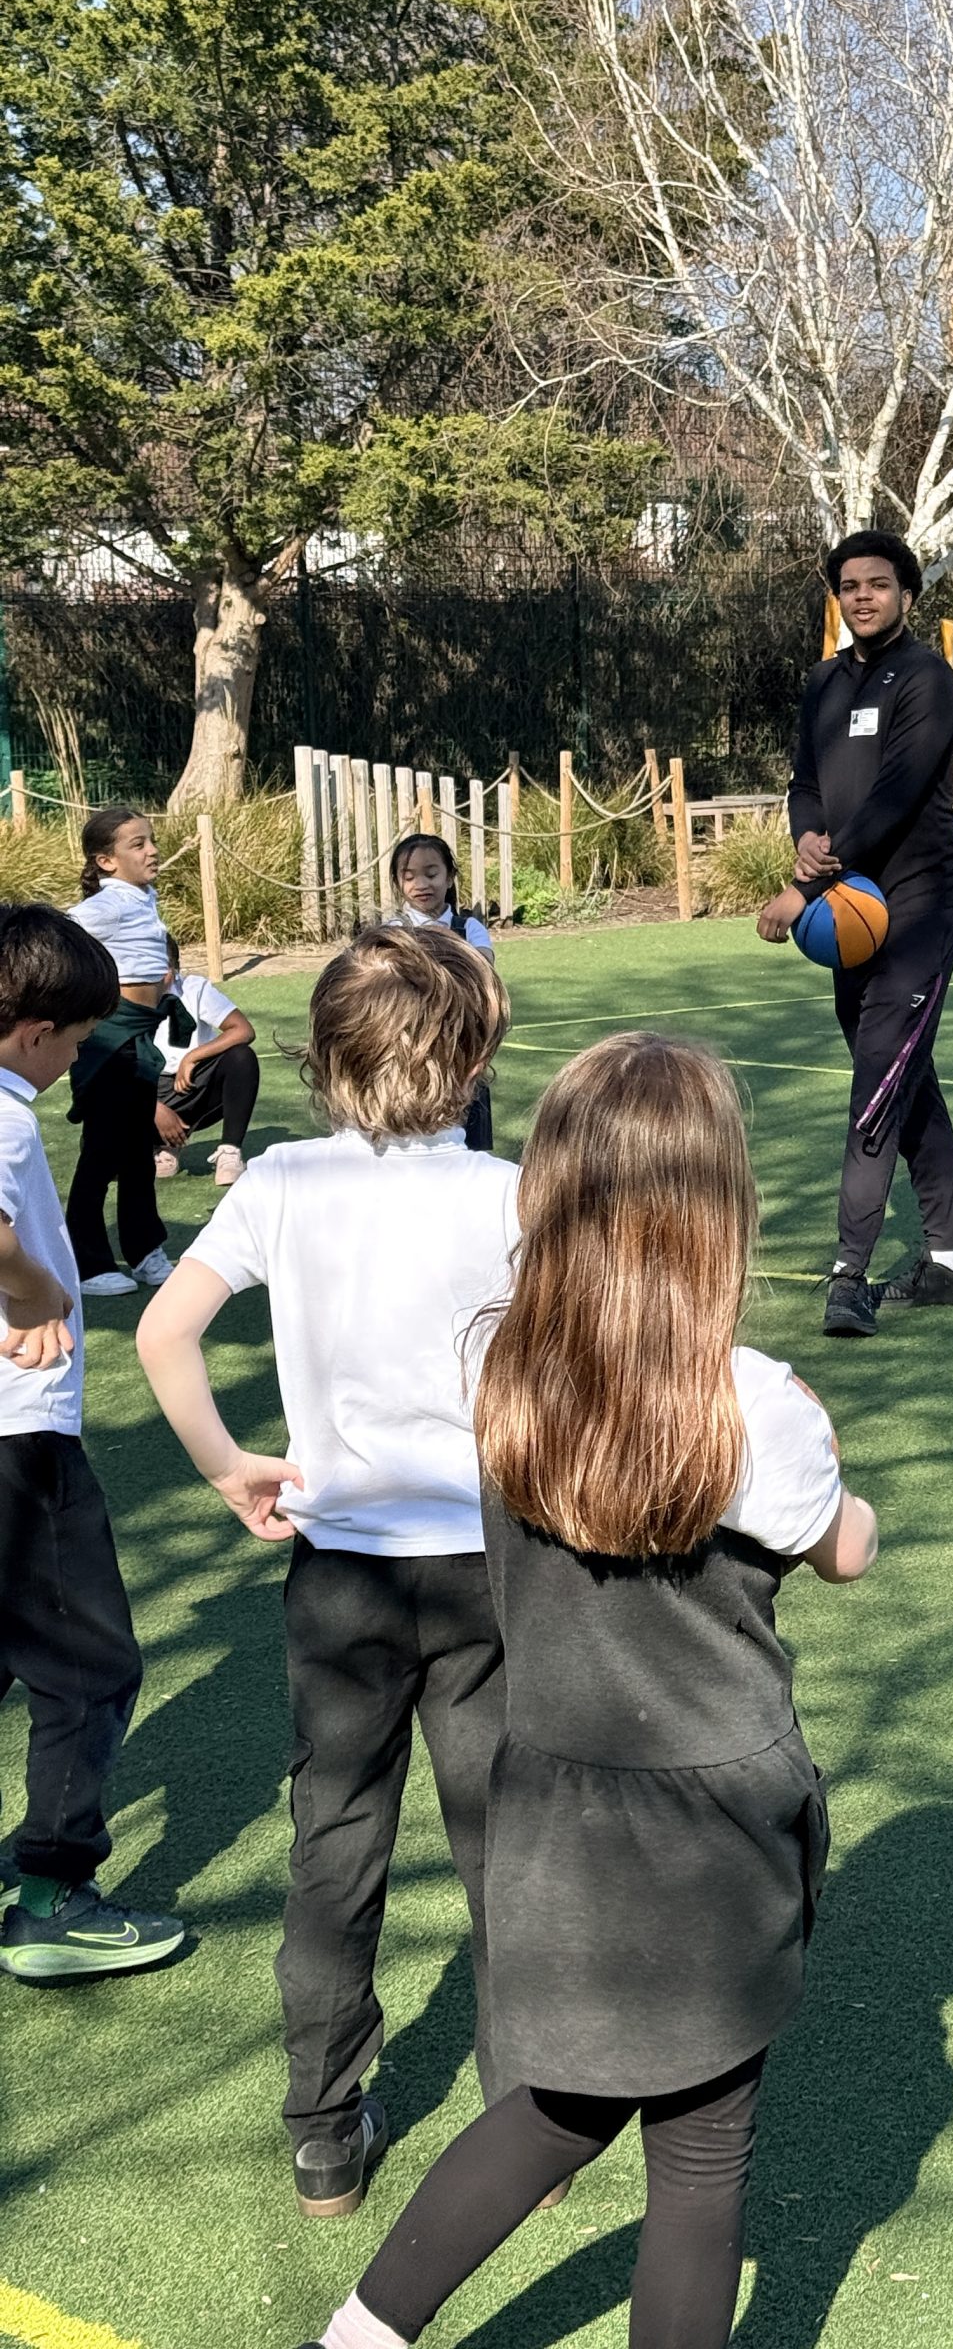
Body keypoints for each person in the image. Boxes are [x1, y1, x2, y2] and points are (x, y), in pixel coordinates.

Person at [300, 1032, 877, 2349]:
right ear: (721, 1206)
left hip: (552, 1814)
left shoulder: (500, 1367)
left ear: (548, 1190)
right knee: (701, 2163)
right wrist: (840, 1471)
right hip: (713, 1835)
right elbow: (843, 1550)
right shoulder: (758, 1405)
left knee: (555, 2107)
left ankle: (359, 2335)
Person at [137, 926, 515, 2216]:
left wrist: (224, 1465)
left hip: (341, 1573)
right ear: (472, 1059)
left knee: (335, 1841)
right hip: (487, 1569)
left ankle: (324, 2130)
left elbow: (164, 1331)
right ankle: (528, 2117)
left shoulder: (283, 1181)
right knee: (503, 1843)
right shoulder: (511, 1192)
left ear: (321, 1057)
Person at [0, 905, 186, 1980]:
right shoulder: (7, 1116)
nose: (76, 1061)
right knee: (89, 1664)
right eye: (74, 1041)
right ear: (34, 1033)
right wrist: (31, 1288)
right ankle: (53, 1896)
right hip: (20, 1439)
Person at [756, 531, 953, 1339]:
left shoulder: (927, 679)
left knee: (878, 1084)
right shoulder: (823, 682)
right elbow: (805, 782)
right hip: (851, 912)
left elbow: (895, 795)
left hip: (918, 912)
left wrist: (800, 887)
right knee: (901, 1076)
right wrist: (807, 838)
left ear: (906, 595)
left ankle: (848, 1276)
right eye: (849, 585)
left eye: (878, 584)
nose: (862, 596)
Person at [66, 804, 189, 1295]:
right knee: (102, 1150)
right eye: (137, 844)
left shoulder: (142, 897)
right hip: (110, 1039)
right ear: (106, 861)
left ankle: (143, 1252)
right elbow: (59, 934)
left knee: (138, 1149)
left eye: (151, 840)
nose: (152, 850)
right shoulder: (110, 904)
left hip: (138, 1036)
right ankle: (87, 1263)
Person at [387, 833, 498, 1153]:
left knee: (469, 1119)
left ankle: (474, 1158)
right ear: (398, 883)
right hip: (410, 1040)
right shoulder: (394, 929)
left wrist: (445, 941)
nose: (421, 884)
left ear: (449, 877)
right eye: (409, 876)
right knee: (414, 1123)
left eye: (431, 873)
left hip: (462, 1040)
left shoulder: (469, 927)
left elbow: (484, 967)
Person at [154, 932, 258, 1184]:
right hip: (144, 1095)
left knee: (241, 1057)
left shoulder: (194, 989)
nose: (155, 976)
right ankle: (162, 1146)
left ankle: (230, 1152)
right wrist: (152, 1108)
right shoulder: (121, 998)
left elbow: (243, 1030)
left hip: (191, 1085)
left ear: (174, 969)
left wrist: (192, 1057)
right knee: (101, 1150)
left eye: (163, 967)